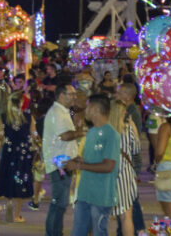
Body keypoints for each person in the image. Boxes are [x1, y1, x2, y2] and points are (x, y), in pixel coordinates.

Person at [65, 95, 120, 236]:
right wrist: (77, 160)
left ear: (95, 109)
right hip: (84, 193)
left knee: (99, 232)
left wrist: (79, 167)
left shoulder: (111, 134)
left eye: (88, 106)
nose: (85, 110)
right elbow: (90, 159)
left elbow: (108, 166)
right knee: (78, 232)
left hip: (101, 196)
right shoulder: (91, 132)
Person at [43, 84, 84, 236]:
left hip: (65, 162)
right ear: (61, 96)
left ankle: (55, 232)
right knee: (59, 203)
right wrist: (82, 132)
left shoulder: (63, 111)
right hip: (59, 164)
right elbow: (65, 135)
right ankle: (53, 233)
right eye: (71, 94)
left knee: (60, 203)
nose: (74, 97)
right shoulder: (56, 113)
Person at [0, 89, 33, 223]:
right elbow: (34, 136)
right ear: (21, 102)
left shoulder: (3, 117)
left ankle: (9, 204)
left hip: (8, 152)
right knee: (21, 180)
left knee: (9, 178)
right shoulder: (28, 117)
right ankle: (17, 214)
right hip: (23, 153)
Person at [107, 99, 139, 236]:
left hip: (106, 170)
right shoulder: (128, 128)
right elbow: (136, 148)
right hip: (124, 171)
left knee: (102, 215)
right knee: (126, 216)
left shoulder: (103, 130)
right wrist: (132, 124)